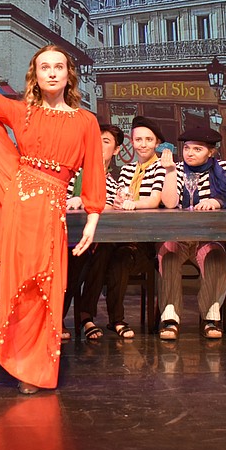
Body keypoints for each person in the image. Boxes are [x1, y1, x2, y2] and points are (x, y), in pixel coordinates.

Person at [0, 0, 104, 393]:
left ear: (70, 75)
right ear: (35, 75)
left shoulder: (86, 121)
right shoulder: (24, 113)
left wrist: (93, 218)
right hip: (20, 200)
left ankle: (38, 366)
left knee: (45, 282)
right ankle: (21, 363)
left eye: (59, 67)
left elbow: (95, 173)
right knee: (18, 281)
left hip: (52, 209)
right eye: (44, 67)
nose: (52, 73)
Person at [156, 125, 226, 341]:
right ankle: (170, 319)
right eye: (187, 148)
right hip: (180, 236)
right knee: (168, 253)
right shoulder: (178, 169)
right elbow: (170, 203)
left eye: (197, 149)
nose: (190, 153)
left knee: (215, 257)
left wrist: (215, 201)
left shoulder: (222, 169)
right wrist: (170, 171)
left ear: (211, 152)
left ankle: (211, 318)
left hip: (206, 237)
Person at [99, 115, 170, 339]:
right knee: (104, 253)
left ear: (157, 142)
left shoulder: (162, 168)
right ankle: (103, 318)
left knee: (118, 257)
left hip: (148, 241)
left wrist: (132, 204)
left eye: (148, 139)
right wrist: (119, 202)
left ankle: (116, 320)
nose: (143, 144)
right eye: (138, 139)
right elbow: (120, 197)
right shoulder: (128, 170)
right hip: (124, 236)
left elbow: (154, 201)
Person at [69, 123, 124, 343]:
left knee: (102, 250)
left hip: (102, 238)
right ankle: (66, 316)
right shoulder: (73, 172)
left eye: (106, 141)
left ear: (117, 150)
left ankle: (86, 316)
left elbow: (114, 205)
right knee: (81, 254)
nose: (98, 145)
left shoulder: (116, 178)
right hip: (68, 235)